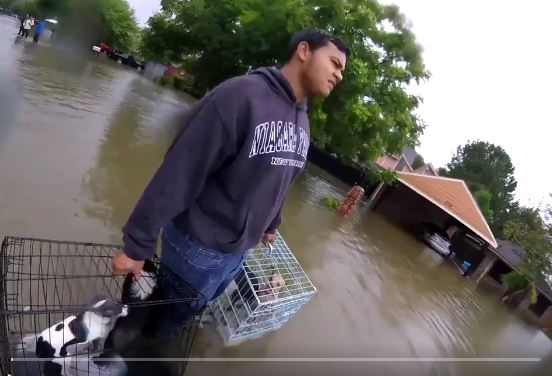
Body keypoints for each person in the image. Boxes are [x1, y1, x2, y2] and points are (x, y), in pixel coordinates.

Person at [111, 30, 348, 336]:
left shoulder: (302, 120)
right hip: (197, 247)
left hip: (240, 250)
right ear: (304, 51)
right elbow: (181, 170)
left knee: (188, 313)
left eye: (341, 69)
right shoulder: (239, 96)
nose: (339, 75)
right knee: (164, 321)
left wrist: (271, 224)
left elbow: (281, 179)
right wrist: (138, 243)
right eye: (334, 63)